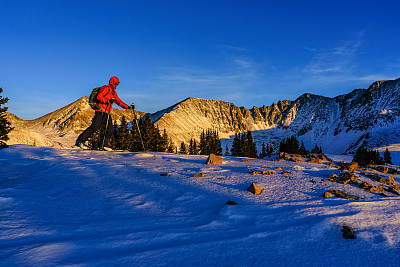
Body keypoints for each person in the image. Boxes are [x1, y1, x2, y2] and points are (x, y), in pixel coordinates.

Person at [75, 76, 134, 151]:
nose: (116, 85)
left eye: (117, 84)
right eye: (116, 83)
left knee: (110, 129)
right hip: (100, 111)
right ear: (112, 82)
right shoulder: (105, 88)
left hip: (107, 112)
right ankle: (80, 141)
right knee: (94, 127)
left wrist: (128, 107)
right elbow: (99, 97)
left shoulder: (113, 92)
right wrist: (107, 101)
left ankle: (104, 145)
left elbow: (119, 102)